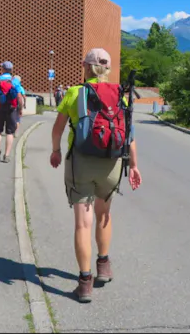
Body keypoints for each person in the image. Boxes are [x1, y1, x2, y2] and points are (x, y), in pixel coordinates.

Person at [49, 48, 142, 303]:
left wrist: (56, 151)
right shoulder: (119, 96)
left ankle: (85, 283)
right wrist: (133, 166)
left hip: (81, 163)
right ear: (108, 69)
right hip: (111, 166)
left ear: (86, 67)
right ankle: (103, 265)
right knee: (104, 214)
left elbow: (57, 130)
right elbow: (129, 133)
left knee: (82, 223)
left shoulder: (74, 93)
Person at [0, 61, 25, 162]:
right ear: (11, 70)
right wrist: (20, 109)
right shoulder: (15, 81)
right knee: (10, 132)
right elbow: (19, 96)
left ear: (3, 69)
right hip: (11, 109)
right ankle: (7, 155)